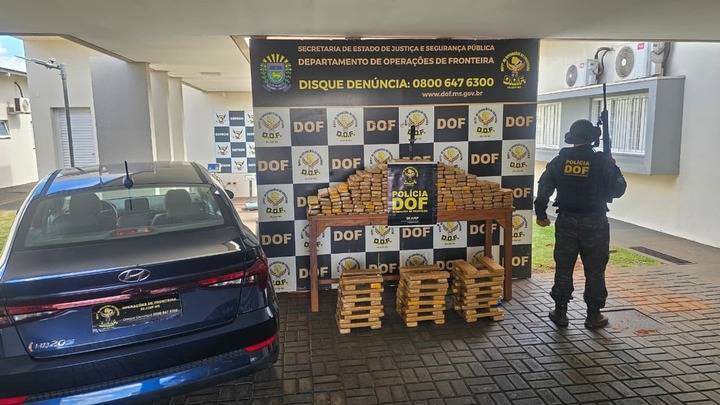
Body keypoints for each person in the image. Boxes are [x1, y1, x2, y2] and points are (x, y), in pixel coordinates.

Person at [534, 119, 627, 329]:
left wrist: (541, 214)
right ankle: (593, 315)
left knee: (563, 267)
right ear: (592, 139)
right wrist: (613, 167)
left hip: (566, 221)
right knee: (595, 269)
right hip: (595, 222)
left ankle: (560, 312)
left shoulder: (560, 161)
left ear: (572, 139)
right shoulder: (602, 162)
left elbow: (544, 188)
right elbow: (618, 190)